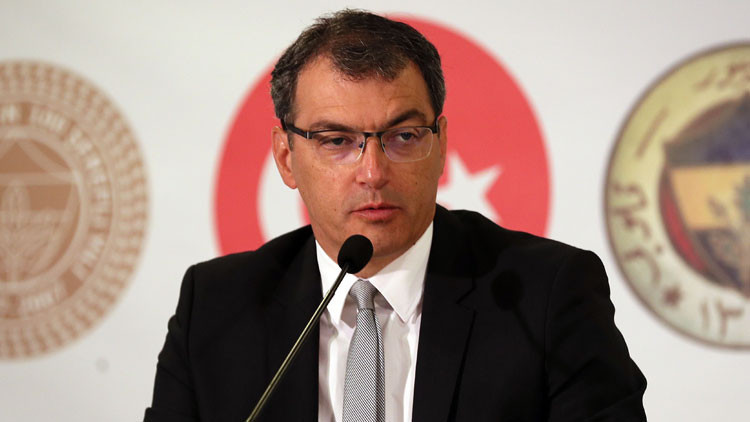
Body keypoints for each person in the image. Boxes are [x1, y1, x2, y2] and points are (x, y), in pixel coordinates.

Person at [144, 9, 646, 422]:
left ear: (441, 144)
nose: (373, 173)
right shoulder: (216, 309)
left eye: (403, 137)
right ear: (285, 157)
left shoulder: (545, 296)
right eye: (337, 141)